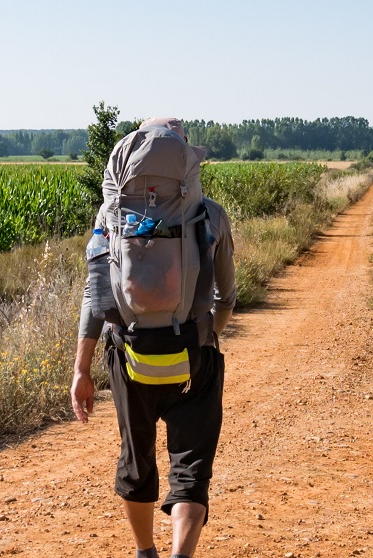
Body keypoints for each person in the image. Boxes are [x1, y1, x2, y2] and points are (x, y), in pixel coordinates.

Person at [71, 117, 235, 558]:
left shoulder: (110, 218)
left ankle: (146, 553)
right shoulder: (211, 216)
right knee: (191, 469)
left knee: (136, 461)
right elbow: (227, 297)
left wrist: (81, 370)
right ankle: (182, 555)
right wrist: (206, 340)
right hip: (192, 356)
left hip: (129, 356)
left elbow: (96, 297)